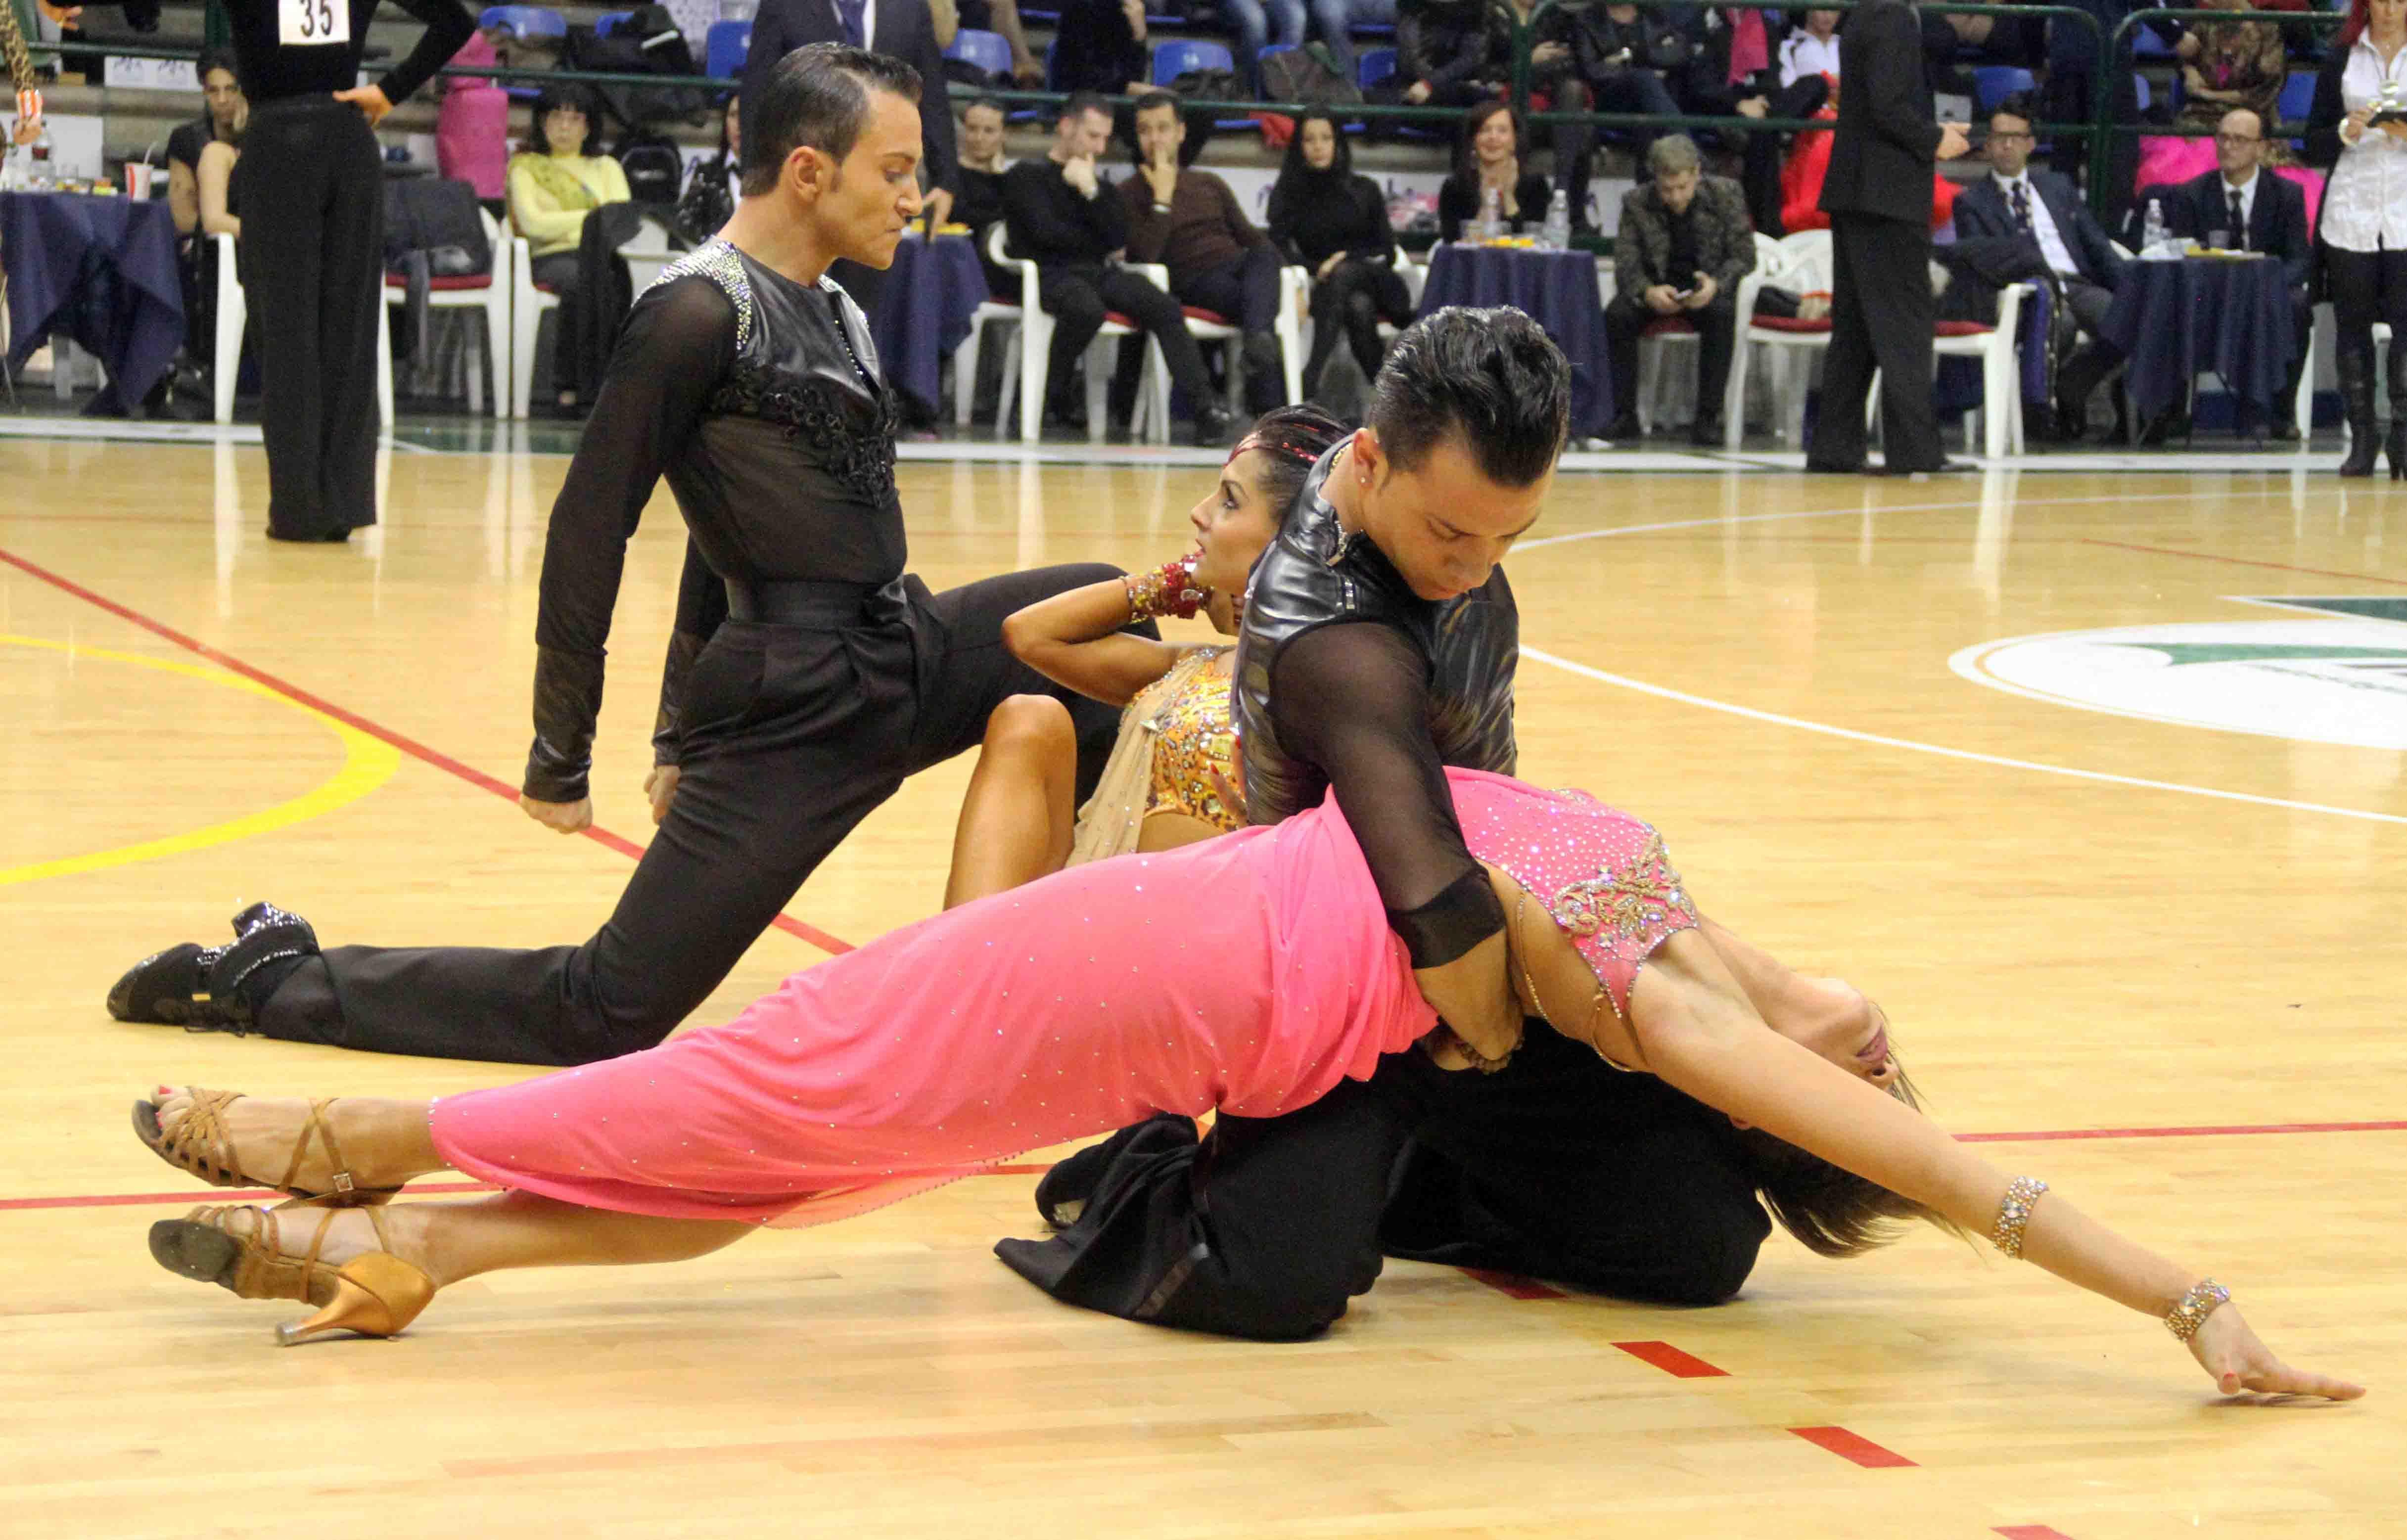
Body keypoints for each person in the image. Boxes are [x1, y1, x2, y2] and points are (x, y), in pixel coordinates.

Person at [127, 774, 2366, 1413]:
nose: (1880, 1047)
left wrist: (2179, 1298)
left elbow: (1963, 1183)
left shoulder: (1669, 1010)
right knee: (788, 1139)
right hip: (1170, 948)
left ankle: (346, 1143)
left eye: (1847, 1073)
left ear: (1785, 1091)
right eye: (1862, 1039)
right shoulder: (1673, 884)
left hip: (1153, 994)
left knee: (766, 1092)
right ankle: (413, 1246)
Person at [104, 46, 1145, 1069]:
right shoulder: (694, 312)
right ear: (808, 172)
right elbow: (591, 527)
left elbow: (727, 523)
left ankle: (1051, 988)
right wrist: (571, 747)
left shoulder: (836, 307)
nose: (918, 195)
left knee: (1107, 610)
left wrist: (667, 733)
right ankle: (273, 978)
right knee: (603, 1014)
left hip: (901, 645)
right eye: (897, 170)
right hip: (799, 705)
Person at [66, 0, 475, 539]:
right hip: (347, 143)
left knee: (286, 333)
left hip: (277, 145)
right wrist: (390, 89)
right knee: (348, 331)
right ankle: (345, 505)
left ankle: (298, 508)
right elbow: (456, 21)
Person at [941, 406, 1349, 908]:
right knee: (1029, 718)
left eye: (1228, 502)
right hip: (1092, 911)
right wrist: (1180, 582)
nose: (1199, 512)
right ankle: (960, 961)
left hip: (1205, 943)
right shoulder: (1190, 665)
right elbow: (1028, 635)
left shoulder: (1339, 683)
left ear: (1290, 538)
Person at [1000, 93, 1229, 444]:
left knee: (1164, 306)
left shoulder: (1100, 187)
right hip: (1050, 274)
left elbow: (1117, 238)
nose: (1100, 146)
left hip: (1099, 272)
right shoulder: (1026, 177)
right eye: (1093, 136)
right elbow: (1044, 234)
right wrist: (1090, 233)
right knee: (1085, 308)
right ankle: (1044, 399)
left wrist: (1091, 191)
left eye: (1105, 138)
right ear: (1065, 127)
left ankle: (1205, 409)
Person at [1805, 0, 1970, 476]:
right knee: (1904, 327)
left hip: (1859, 191)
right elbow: (1888, 104)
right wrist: (1933, 138)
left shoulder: (1866, 14)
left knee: (1856, 331)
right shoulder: (1894, 16)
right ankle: (1915, 451)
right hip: (1886, 194)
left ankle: (1835, 448)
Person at [741, 0, 956, 321]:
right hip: (804, 190)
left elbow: (933, 94)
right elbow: (757, 96)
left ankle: (856, 368)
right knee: (788, 310)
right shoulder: (784, 6)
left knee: (862, 315)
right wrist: (756, 180)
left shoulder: (910, 9)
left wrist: (945, 179)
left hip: (877, 191)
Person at [1951, 92, 2128, 442]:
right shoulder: (1971, 202)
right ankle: (2039, 416)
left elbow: (2096, 244)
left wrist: (2132, 287)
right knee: (2057, 325)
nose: (2007, 147)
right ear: (1987, 145)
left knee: (2123, 317)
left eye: (2015, 138)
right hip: (2029, 291)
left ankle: (2072, 384)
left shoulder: (2058, 187)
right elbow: (1983, 260)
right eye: (2000, 138)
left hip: (2076, 283)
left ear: (2030, 144)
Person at [1118, 92, 1287, 416]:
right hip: (1191, 281)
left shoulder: (1208, 182)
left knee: (1264, 260)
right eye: (1145, 130)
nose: (1155, 139)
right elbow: (1145, 258)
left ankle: (1257, 344)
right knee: (1256, 304)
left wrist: (1294, 287)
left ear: (1181, 133)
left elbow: (1254, 240)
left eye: (1163, 129)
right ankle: (1269, 399)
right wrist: (1162, 201)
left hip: (1239, 269)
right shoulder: (1128, 192)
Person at [2155, 107, 2314, 440]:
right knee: (2171, 301)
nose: (2228, 147)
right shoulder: (2191, 194)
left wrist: (2266, 285)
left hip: (2266, 294)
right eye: (2223, 138)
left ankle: (2279, 411)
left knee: (2298, 305)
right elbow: (2182, 256)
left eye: (2240, 140)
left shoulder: (2287, 195)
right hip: (2208, 294)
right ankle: (2172, 410)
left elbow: (2300, 260)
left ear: (2262, 146)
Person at [2305, 0, 2407, 478]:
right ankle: (2363, 439)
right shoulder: (2340, 57)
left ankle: (2404, 440)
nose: (2390, 8)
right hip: (2353, 206)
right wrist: (2348, 130)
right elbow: (2313, 143)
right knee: (2353, 325)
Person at [1603, 134, 1756, 446]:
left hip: (1705, 289)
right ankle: (1625, 415)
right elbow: (1626, 261)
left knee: (1722, 313)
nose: (1675, 197)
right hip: (1658, 288)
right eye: (1667, 189)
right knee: (1618, 315)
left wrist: (1717, 284)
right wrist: (1648, 292)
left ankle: (1707, 419)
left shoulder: (1726, 194)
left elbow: (1744, 255)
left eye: (1682, 188)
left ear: (1697, 174)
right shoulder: (1636, 202)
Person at [1266, 108, 1414, 404]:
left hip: (1378, 280)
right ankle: (1393, 398)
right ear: (1299, 147)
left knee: (1344, 275)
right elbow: (1277, 246)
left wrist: (1343, 260)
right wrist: (1315, 267)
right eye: (1309, 140)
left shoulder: (1364, 189)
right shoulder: (1289, 193)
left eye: (1326, 138)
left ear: (1338, 143)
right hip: (1329, 287)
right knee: (1358, 307)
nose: (1318, 146)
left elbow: (1386, 251)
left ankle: (1310, 377)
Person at [506, 84, 633, 416]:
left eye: (574, 119)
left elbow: (619, 221)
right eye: (556, 117)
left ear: (588, 127)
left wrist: (569, 221)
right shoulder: (526, 166)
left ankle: (612, 386)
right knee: (581, 284)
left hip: (602, 255)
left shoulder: (607, 167)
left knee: (619, 281)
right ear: (542, 122)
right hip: (551, 257)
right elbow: (533, 224)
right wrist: (592, 219)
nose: (564, 127)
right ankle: (569, 387)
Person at [1437, 100, 1550, 242]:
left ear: (1515, 140)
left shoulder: (1535, 185)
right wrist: (1487, 204)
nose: (1493, 137)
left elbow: (1528, 241)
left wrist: (1508, 196)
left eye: (1502, 131)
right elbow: (1455, 244)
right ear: (1473, 140)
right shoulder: (1455, 187)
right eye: (1485, 130)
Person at [166, 47, 245, 242]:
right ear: (204, 91)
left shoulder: (263, 137)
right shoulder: (186, 140)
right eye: (213, 91)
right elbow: (184, 219)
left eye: (231, 89)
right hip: (207, 248)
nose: (222, 100)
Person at [673, 93, 743, 248]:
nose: (739, 124)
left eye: (746, 115)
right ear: (725, 121)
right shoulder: (706, 175)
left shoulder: (772, 177)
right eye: (733, 115)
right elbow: (685, 226)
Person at [1051, 0, 1151, 96]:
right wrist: (1133, 89)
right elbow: (1085, 81)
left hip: (1116, 103)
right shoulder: (1078, 9)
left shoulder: (1129, 11)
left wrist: (1139, 37)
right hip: (1079, 103)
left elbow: (1135, 77)